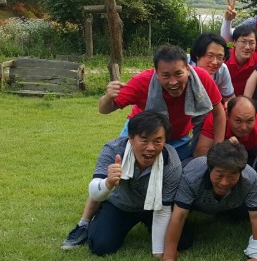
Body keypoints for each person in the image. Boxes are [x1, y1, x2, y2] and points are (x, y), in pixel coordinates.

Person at [61, 45, 225, 250]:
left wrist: (218, 147)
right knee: (114, 172)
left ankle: (166, 215)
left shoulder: (201, 79)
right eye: (165, 75)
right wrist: (107, 97)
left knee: (176, 177)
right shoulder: (143, 81)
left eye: (178, 74)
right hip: (141, 134)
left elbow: (219, 112)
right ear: (156, 73)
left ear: (188, 69)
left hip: (179, 137)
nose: (173, 82)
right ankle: (84, 223)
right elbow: (105, 109)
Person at [155, 141, 257, 261]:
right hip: (194, 203)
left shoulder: (250, 178)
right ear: (210, 169)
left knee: (241, 215)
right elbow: (179, 216)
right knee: (184, 240)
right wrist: (168, 258)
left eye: (231, 176)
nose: (224, 182)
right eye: (219, 175)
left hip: (232, 203)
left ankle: (223, 213)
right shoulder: (192, 175)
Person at [84, 111, 183, 257]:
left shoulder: (171, 162)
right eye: (144, 140)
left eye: (157, 141)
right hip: (120, 205)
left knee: (184, 241)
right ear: (130, 138)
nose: (151, 148)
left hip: (154, 206)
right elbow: (94, 192)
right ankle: (97, 219)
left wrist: (158, 251)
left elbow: (163, 209)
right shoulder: (113, 149)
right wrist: (108, 183)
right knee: (101, 246)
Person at [193, 96, 257, 167]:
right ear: (227, 115)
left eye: (250, 121)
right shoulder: (216, 119)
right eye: (238, 121)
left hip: (246, 157)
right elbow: (198, 153)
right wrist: (226, 149)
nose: (244, 127)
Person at [189, 32, 235, 106]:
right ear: (197, 54)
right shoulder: (183, 66)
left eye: (220, 57)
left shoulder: (222, 69)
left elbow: (229, 98)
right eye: (210, 56)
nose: (215, 62)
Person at [225, 24, 257, 97]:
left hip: (249, 100)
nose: (247, 47)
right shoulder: (223, 60)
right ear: (234, 42)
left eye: (252, 43)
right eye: (243, 42)